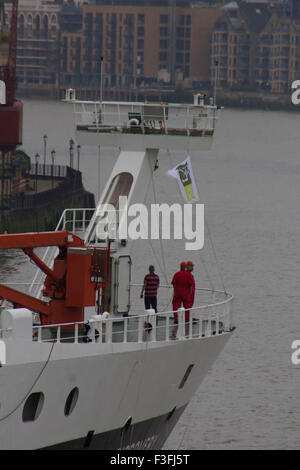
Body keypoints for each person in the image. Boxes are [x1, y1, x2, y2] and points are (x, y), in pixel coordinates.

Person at [171, 262, 194, 326]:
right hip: (186, 293)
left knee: (175, 306)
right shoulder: (188, 274)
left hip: (178, 293)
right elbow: (191, 285)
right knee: (187, 307)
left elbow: (174, 284)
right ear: (185, 267)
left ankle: (176, 319)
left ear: (180, 266)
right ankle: (187, 320)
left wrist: (175, 291)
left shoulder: (176, 274)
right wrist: (190, 293)